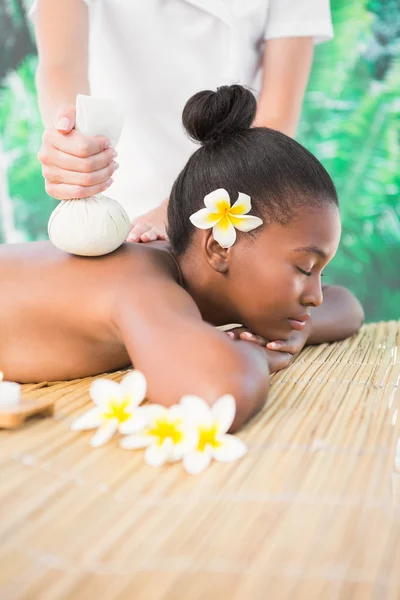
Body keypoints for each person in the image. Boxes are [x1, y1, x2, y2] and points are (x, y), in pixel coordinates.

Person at [0, 85, 363, 431]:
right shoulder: (142, 287)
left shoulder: (187, 270)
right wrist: (256, 355)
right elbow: (215, 396)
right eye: (304, 268)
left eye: (319, 272)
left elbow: (346, 305)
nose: (315, 295)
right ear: (219, 248)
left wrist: (301, 331)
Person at [30, 0, 334, 243]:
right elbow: (60, 65)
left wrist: (183, 205)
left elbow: (277, 116)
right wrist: (68, 137)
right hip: (116, 200)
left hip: (233, 192)